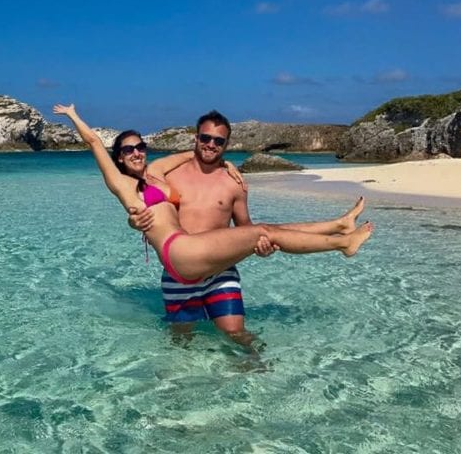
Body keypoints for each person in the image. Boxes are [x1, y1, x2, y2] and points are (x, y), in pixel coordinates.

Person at [52, 104, 373, 289]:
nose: (136, 152)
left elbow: (191, 154)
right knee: (262, 232)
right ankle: (343, 245)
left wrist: (227, 161)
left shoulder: (156, 173)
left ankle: (338, 225)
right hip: (178, 253)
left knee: (267, 228)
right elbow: (94, 142)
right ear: (119, 157)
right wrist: (73, 115)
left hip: (190, 249)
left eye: (140, 147)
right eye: (128, 150)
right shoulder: (122, 185)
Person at [128, 110, 367, 346]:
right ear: (196, 139)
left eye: (218, 141)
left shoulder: (235, 183)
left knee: (238, 335)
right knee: (181, 341)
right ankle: (338, 227)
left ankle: (257, 375)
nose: (211, 144)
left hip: (221, 272)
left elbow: (246, 230)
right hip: (180, 274)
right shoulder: (169, 176)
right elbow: (145, 208)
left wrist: (262, 249)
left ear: (227, 144)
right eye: (205, 138)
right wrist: (135, 222)